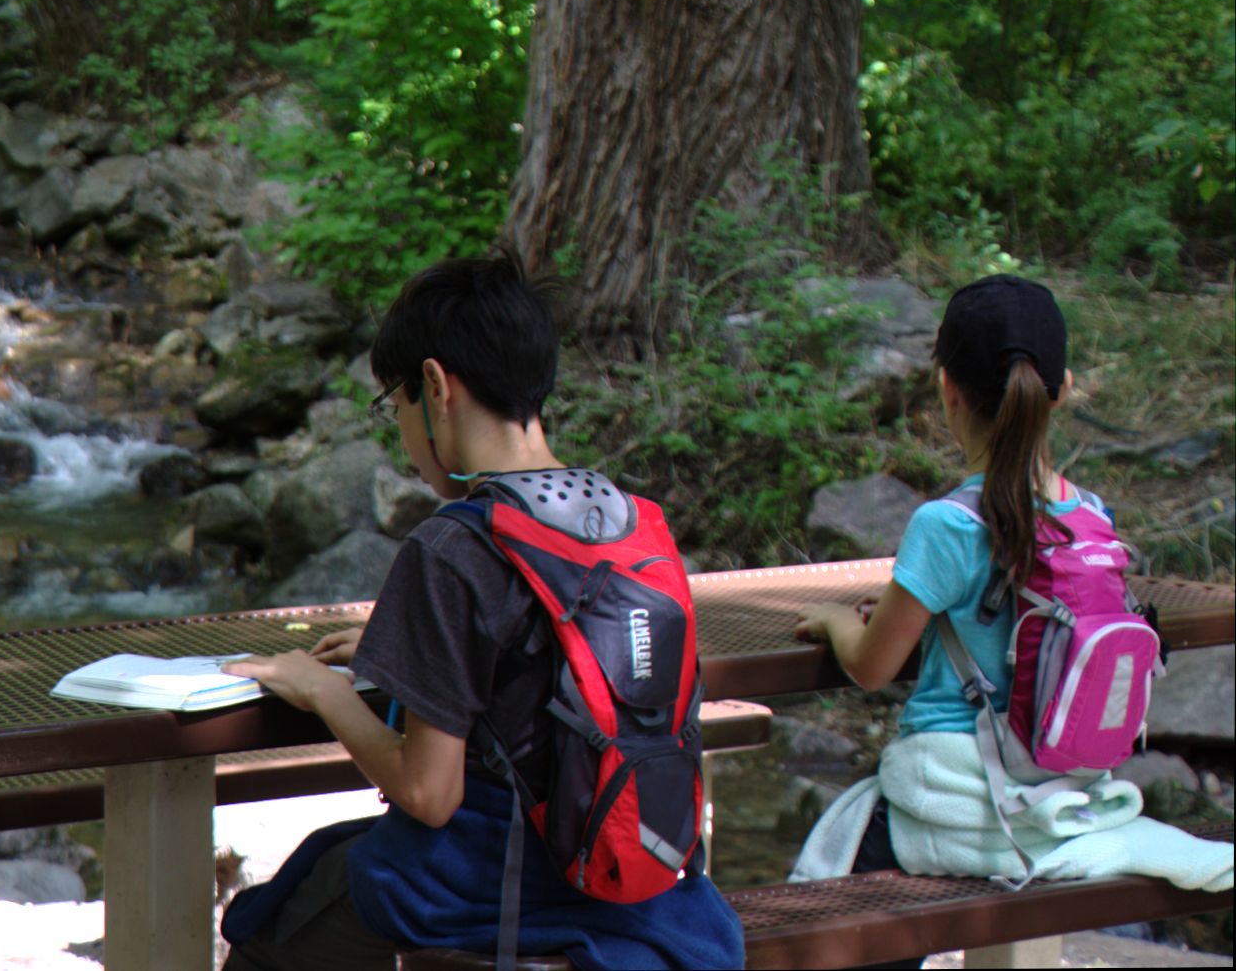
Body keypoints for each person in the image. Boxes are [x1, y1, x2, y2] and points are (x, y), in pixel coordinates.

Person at [219, 253, 745, 971]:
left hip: (493, 892)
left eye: (395, 406)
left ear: (434, 386)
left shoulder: (450, 547)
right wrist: (406, 642)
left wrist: (325, 692)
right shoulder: (634, 526)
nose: (403, 437)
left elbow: (427, 794)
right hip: (642, 881)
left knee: (265, 933)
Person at [790, 275, 1231, 927]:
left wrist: (833, 622)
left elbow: (869, 668)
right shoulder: (1088, 516)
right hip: (1063, 792)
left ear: (946, 391)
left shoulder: (944, 525)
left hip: (959, 802)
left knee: (836, 877)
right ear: (1061, 389)